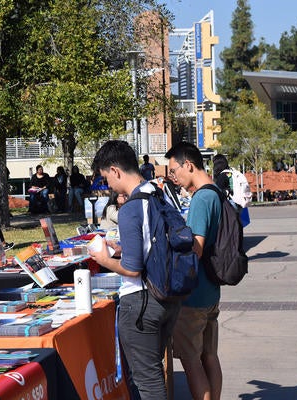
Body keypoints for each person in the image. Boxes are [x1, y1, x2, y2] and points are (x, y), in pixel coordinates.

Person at [88, 140, 181, 399]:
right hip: (167, 295)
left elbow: (132, 268)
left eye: (106, 178)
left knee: (147, 382)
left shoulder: (129, 208)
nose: (108, 185)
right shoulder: (159, 192)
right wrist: (121, 248)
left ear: (116, 170)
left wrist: (103, 258)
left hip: (140, 302)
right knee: (153, 373)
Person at [165, 141, 223, 400]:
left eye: (174, 170)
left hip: (194, 295)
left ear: (188, 165)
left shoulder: (201, 198)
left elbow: (195, 248)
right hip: (211, 291)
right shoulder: (216, 192)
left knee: (191, 362)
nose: (173, 177)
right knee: (209, 356)